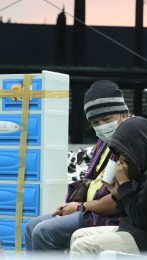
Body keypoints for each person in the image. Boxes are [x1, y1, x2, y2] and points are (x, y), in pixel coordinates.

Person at [24, 80, 131, 252]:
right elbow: (89, 181)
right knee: (31, 227)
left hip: (107, 215)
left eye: (107, 119)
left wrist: (80, 207)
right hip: (87, 207)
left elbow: (120, 201)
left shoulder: (130, 141)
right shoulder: (104, 141)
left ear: (124, 114)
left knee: (43, 232)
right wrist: (71, 205)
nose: (102, 127)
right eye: (95, 123)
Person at [70, 117, 147, 258]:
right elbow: (136, 211)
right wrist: (118, 194)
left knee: (83, 246)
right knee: (78, 235)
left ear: (136, 148)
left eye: (124, 154)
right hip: (136, 232)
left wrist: (124, 183)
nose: (120, 160)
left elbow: (139, 218)